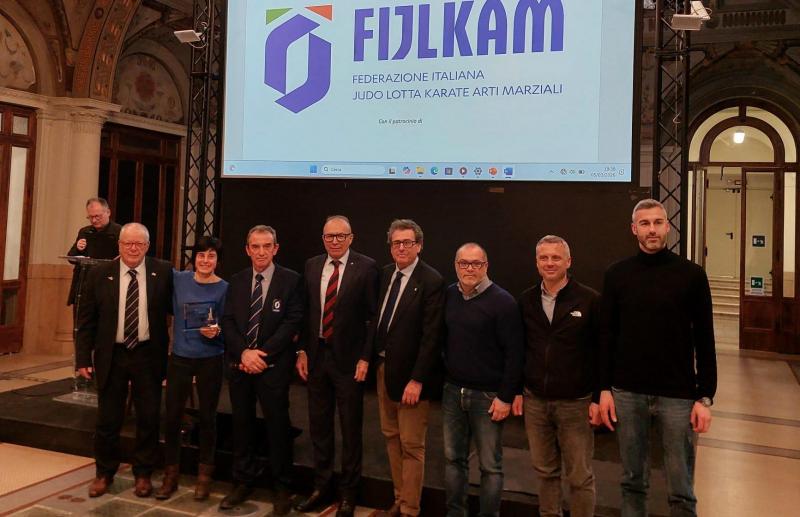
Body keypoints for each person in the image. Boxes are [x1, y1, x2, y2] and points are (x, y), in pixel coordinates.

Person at [598, 199, 717, 517]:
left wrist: (705, 396)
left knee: (681, 488)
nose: (652, 229)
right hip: (627, 392)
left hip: (677, 394)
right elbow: (607, 336)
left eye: (658, 222)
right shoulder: (616, 275)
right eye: (645, 223)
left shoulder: (692, 275)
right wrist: (604, 389)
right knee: (632, 482)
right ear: (634, 229)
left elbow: (705, 339)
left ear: (668, 226)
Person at [75, 222, 173, 498]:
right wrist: (82, 357)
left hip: (148, 354)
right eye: (128, 243)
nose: (133, 248)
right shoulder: (99, 273)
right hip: (112, 355)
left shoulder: (164, 272)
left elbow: (179, 307)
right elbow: (86, 320)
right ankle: (104, 473)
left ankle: (143, 473)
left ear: (147, 246)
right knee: (108, 418)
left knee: (148, 417)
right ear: (118, 245)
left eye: (139, 243)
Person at [294, 216, 379, 517]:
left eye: (340, 236)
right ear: (323, 238)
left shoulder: (367, 268)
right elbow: (305, 311)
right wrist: (302, 350)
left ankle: (348, 494)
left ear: (351, 238)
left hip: (349, 361)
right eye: (329, 236)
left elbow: (373, 318)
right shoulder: (312, 265)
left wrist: (366, 357)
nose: (335, 241)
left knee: (350, 429)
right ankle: (322, 487)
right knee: (319, 427)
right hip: (317, 357)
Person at [220, 225, 303, 514]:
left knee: (278, 428)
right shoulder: (237, 280)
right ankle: (242, 481)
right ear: (247, 249)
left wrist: (261, 355)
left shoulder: (291, 280)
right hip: (240, 365)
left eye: (267, 246)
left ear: (275, 248)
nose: (261, 252)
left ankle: (282, 488)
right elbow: (228, 320)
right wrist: (244, 353)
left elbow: (292, 322)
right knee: (241, 426)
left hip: (273, 367)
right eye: (255, 246)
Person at [515, 235, 600, 517]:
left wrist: (598, 398)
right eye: (544, 258)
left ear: (568, 261)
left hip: (575, 403)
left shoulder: (589, 300)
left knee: (580, 477)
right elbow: (519, 349)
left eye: (556, 257)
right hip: (535, 402)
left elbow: (602, 351)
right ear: (537, 262)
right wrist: (517, 391)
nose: (549, 263)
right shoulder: (526, 300)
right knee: (545, 471)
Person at [442, 243, 523, 517]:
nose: (469, 269)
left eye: (476, 263)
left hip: (488, 397)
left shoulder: (504, 302)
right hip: (453, 392)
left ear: (486, 266)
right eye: (463, 263)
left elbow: (515, 354)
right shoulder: (449, 295)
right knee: (454, 460)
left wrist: (505, 397)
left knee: (490, 466)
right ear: (456, 266)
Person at [372, 219, 445, 517]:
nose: (401, 248)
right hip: (384, 370)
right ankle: (399, 499)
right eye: (396, 243)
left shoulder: (431, 280)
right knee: (391, 437)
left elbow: (432, 337)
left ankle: (410, 510)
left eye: (407, 242)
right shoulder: (385, 274)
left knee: (412, 445)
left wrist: (417, 380)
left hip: (412, 379)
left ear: (419, 245)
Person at [156, 236, 227, 501]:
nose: (205, 260)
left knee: (208, 418)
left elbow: (229, 325)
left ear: (218, 260)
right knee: (173, 417)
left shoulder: (225, 288)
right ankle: (170, 475)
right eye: (201, 255)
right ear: (194, 258)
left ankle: (204, 476)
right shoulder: (179, 279)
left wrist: (217, 331)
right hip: (180, 358)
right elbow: (155, 269)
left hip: (211, 358)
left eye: (211, 256)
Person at [67, 197, 122, 306]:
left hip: (108, 284)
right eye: (90, 217)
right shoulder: (84, 231)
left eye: (97, 216)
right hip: (84, 285)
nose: (94, 220)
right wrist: (78, 248)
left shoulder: (120, 231)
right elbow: (71, 258)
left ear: (108, 212)